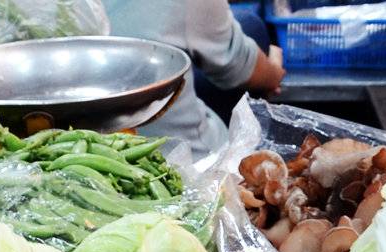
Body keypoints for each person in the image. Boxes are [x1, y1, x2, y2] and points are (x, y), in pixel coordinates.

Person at [102, 0, 286, 159]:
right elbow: (237, 68)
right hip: (181, 155)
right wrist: (275, 70)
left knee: (245, 23)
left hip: (87, 118)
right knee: (253, 27)